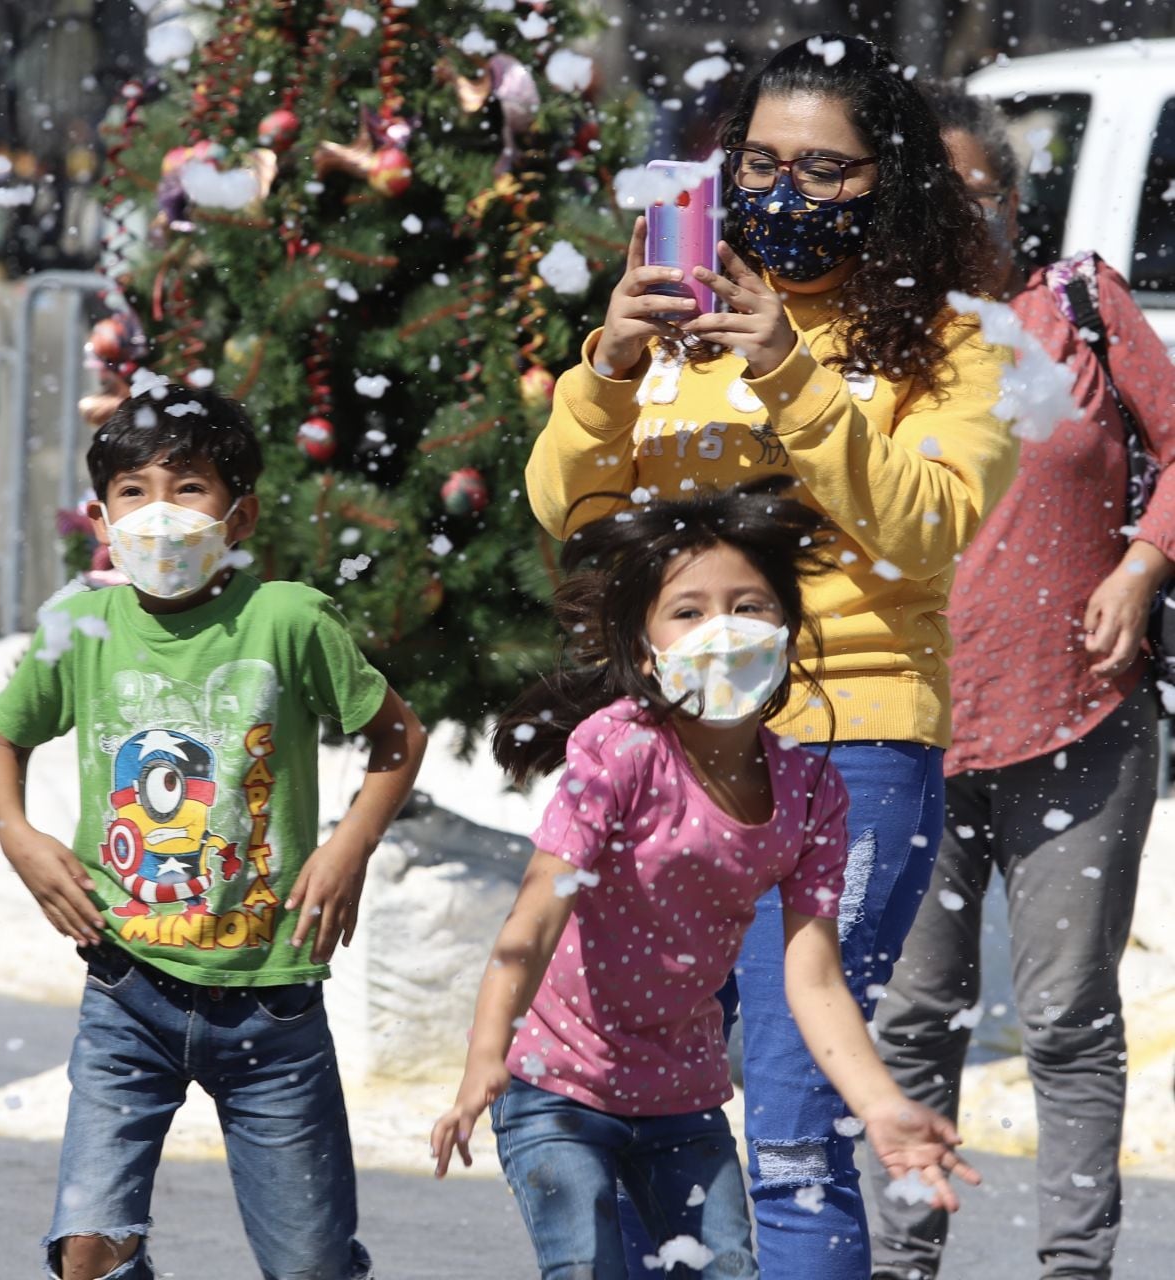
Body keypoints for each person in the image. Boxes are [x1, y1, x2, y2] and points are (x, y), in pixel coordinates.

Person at [521, 32, 1020, 1278]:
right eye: (757, 163)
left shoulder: (952, 343)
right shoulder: (680, 322)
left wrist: (792, 373)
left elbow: (925, 527)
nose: (781, 195)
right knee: (639, 1094)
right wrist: (609, 368)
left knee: (794, 1123)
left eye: (822, 170)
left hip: (851, 739)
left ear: (888, 181)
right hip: (674, 749)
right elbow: (566, 510)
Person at [428, 478, 981, 1280]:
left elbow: (815, 979)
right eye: (688, 611)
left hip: (684, 1101)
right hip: (557, 1084)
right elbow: (538, 915)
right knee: (586, 1267)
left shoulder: (812, 791)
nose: (722, 630)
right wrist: (489, 1054)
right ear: (648, 650)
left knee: (725, 1268)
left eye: (749, 606)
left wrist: (881, 1105)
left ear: (789, 631)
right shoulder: (619, 748)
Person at [0, 381, 426, 1280]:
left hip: (273, 1003)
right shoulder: (79, 628)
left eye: (189, 489)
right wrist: (18, 838)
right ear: (101, 519)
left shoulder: (288, 621)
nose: (160, 516)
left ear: (241, 512)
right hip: (125, 990)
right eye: (133, 493)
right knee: (86, 1251)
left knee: (309, 1265)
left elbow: (396, 738)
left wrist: (348, 847)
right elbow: (3, 744)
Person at [866, 85, 1175, 1280]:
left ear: (1009, 196)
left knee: (1064, 1017)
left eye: (975, 192)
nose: (957, 217)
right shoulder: (875, 334)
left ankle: (1070, 1265)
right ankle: (901, 1261)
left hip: (1082, 714)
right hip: (907, 728)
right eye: (929, 196)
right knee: (907, 1020)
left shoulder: (1080, 306)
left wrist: (1141, 565)